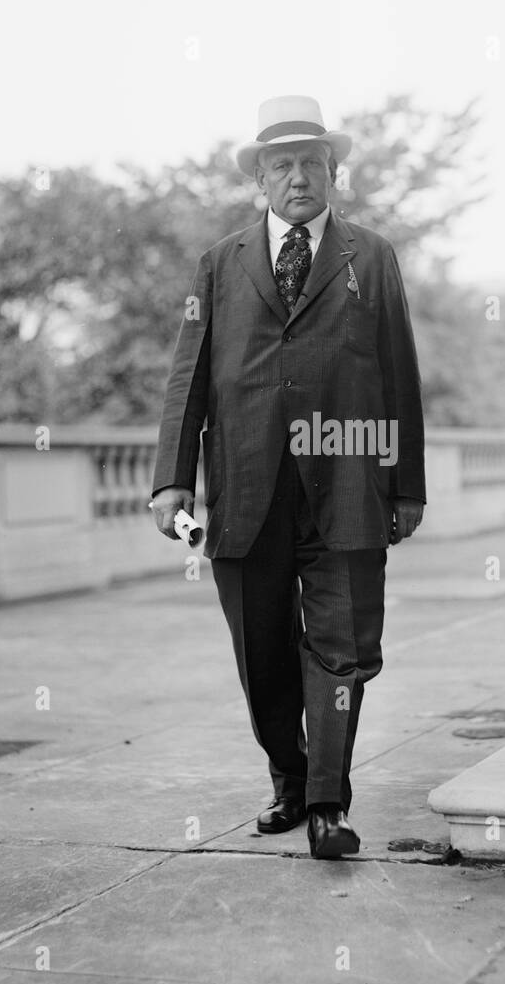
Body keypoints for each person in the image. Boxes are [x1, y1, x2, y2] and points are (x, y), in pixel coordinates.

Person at [150, 96, 425, 858]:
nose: (298, 177)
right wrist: (170, 479)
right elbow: (189, 378)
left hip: (348, 485)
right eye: (282, 165)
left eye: (311, 163)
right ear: (261, 181)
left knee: (342, 646)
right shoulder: (219, 264)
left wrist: (407, 484)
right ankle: (290, 779)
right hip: (245, 489)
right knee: (262, 651)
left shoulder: (370, 256)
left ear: (333, 173)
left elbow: (400, 372)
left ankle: (330, 807)